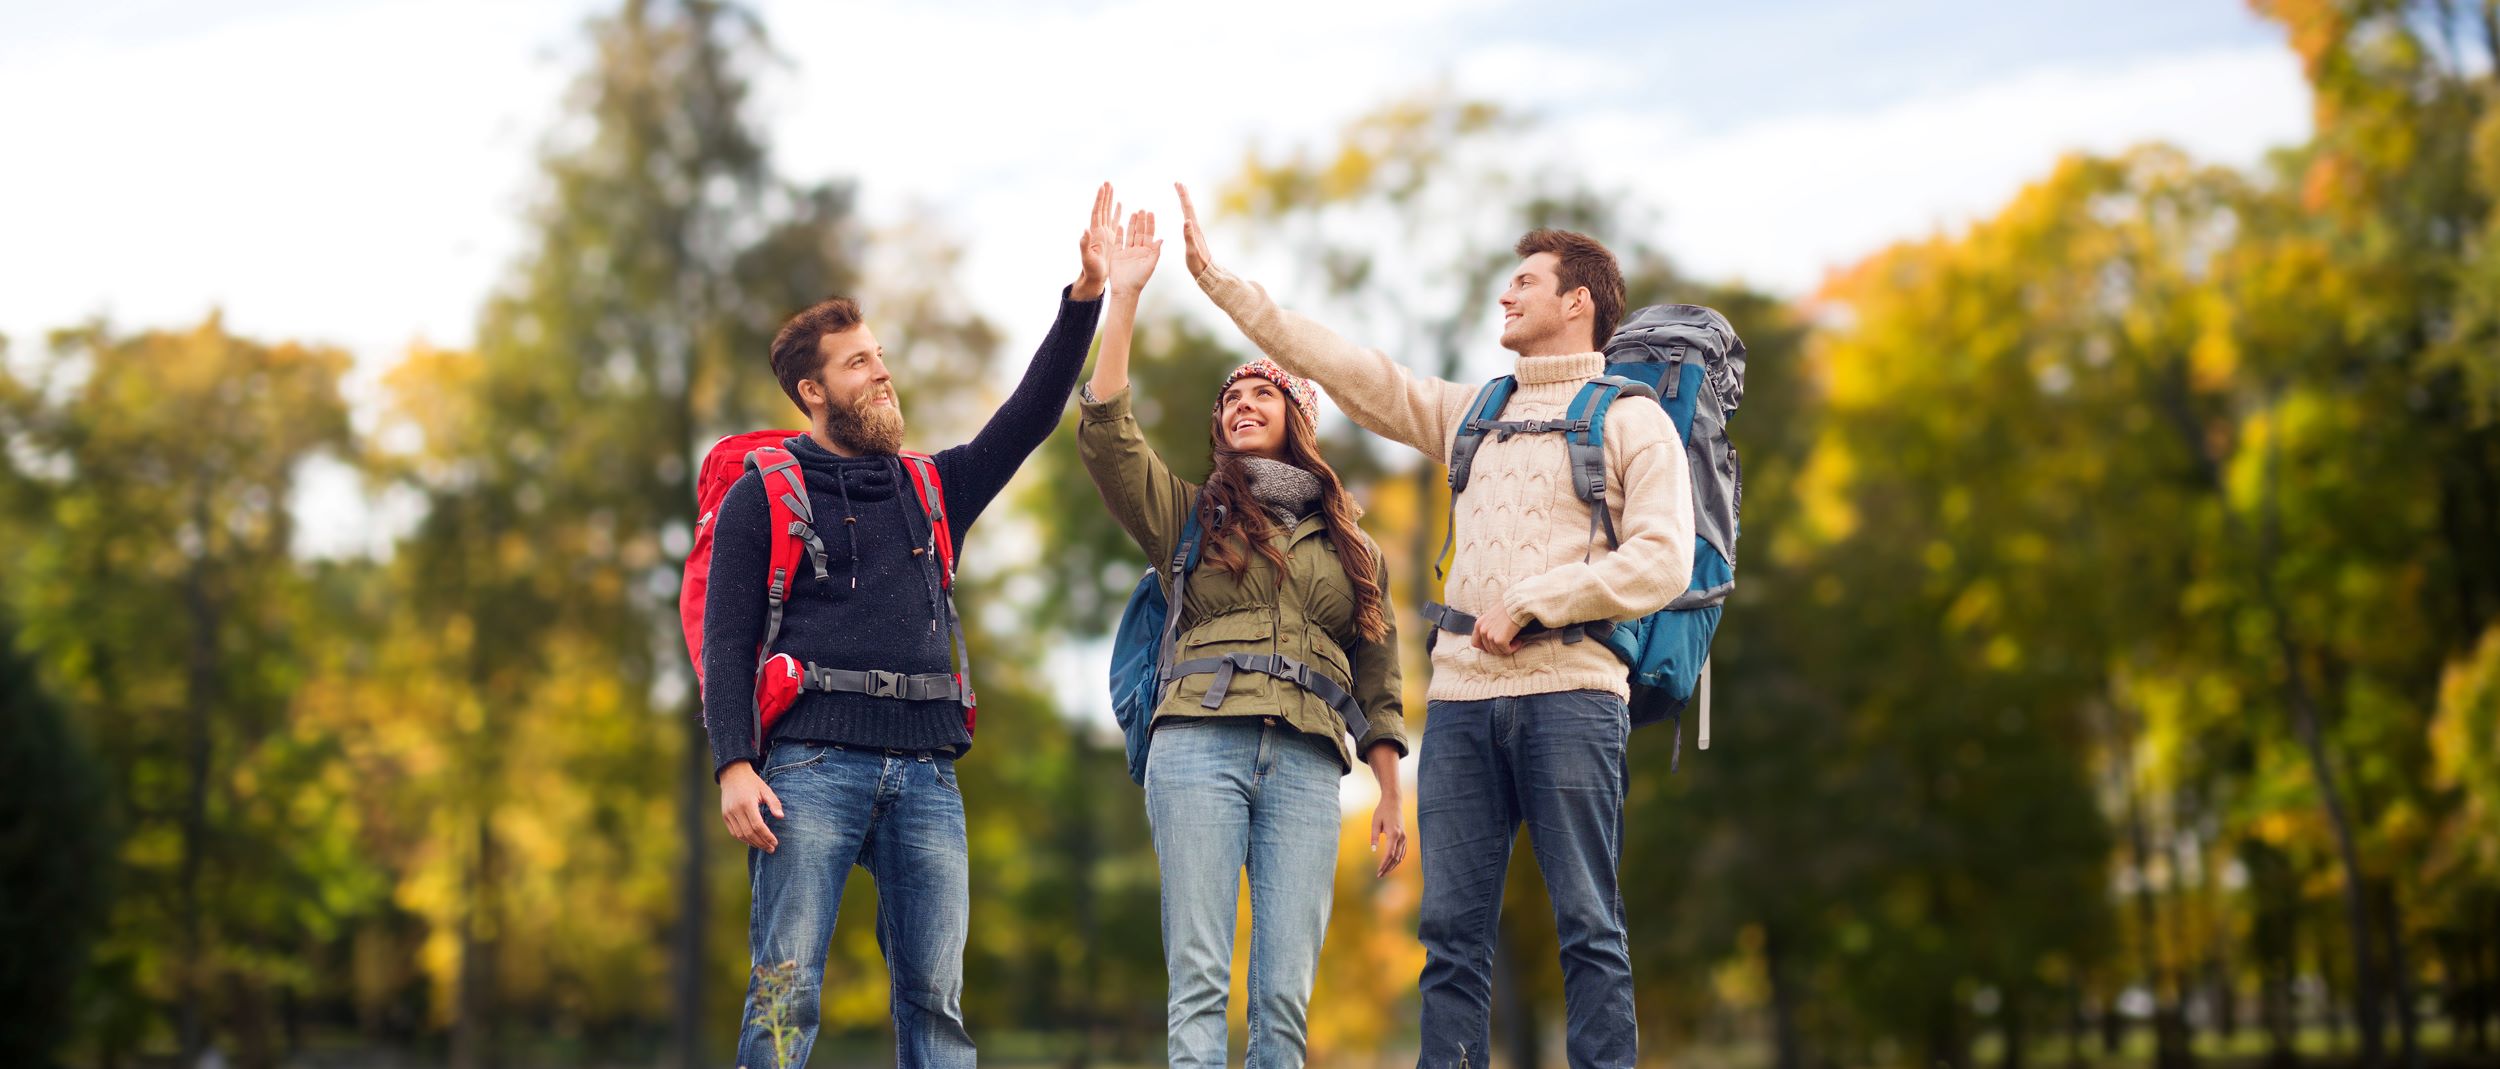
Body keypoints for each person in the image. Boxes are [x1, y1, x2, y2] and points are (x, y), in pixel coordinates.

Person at [1175, 183, 1695, 1069]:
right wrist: (1222, 284)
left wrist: (1538, 600)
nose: (1506, 294)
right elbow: (1343, 365)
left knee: (1588, 925)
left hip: (1573, 693)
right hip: (1458, 705)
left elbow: (1663, 560)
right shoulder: (1472, 412)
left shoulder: (1632, 419)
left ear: (1578, 303)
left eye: (1525, 282)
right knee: (1451, 934)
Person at [705, 184, 1116, 1069]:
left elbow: (1031, 415)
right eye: (858, 363)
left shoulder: (934, 487)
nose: (882, 371)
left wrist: (1085, 296)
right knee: (787, 986)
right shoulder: (761, 497)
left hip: (929, 770)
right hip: (807, 764)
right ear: (812, 390)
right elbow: (726, 639)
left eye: (879, 354)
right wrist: (734, 762)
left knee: (936, 1002)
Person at [1077, 207, 1410, 1069]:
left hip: (1306, 760)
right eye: (1231, 398)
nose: (1241, 404)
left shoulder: (1354, 546)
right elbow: (1110, 438)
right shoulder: (1190, 515)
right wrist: (1124, 300)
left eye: (1262, 392)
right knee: (1197, 980)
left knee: (1284, 997)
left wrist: (1390, 791)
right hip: (1196, 745)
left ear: (1299, 417)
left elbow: (1378, 672)